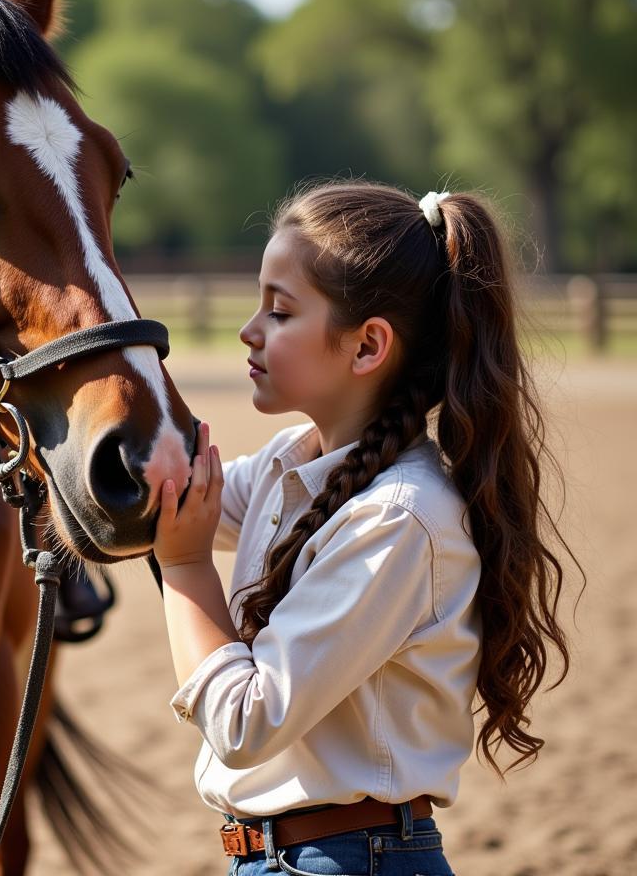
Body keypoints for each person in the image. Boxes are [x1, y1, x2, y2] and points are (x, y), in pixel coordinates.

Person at [153, 181, 578, 875]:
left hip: (355, 861)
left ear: (366, 346)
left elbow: (244, 723)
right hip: (289, 859)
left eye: (279, 311)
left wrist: (184, 568)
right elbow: (163, 503)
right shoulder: (293, 463)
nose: (248, 330)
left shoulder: (400, 519)